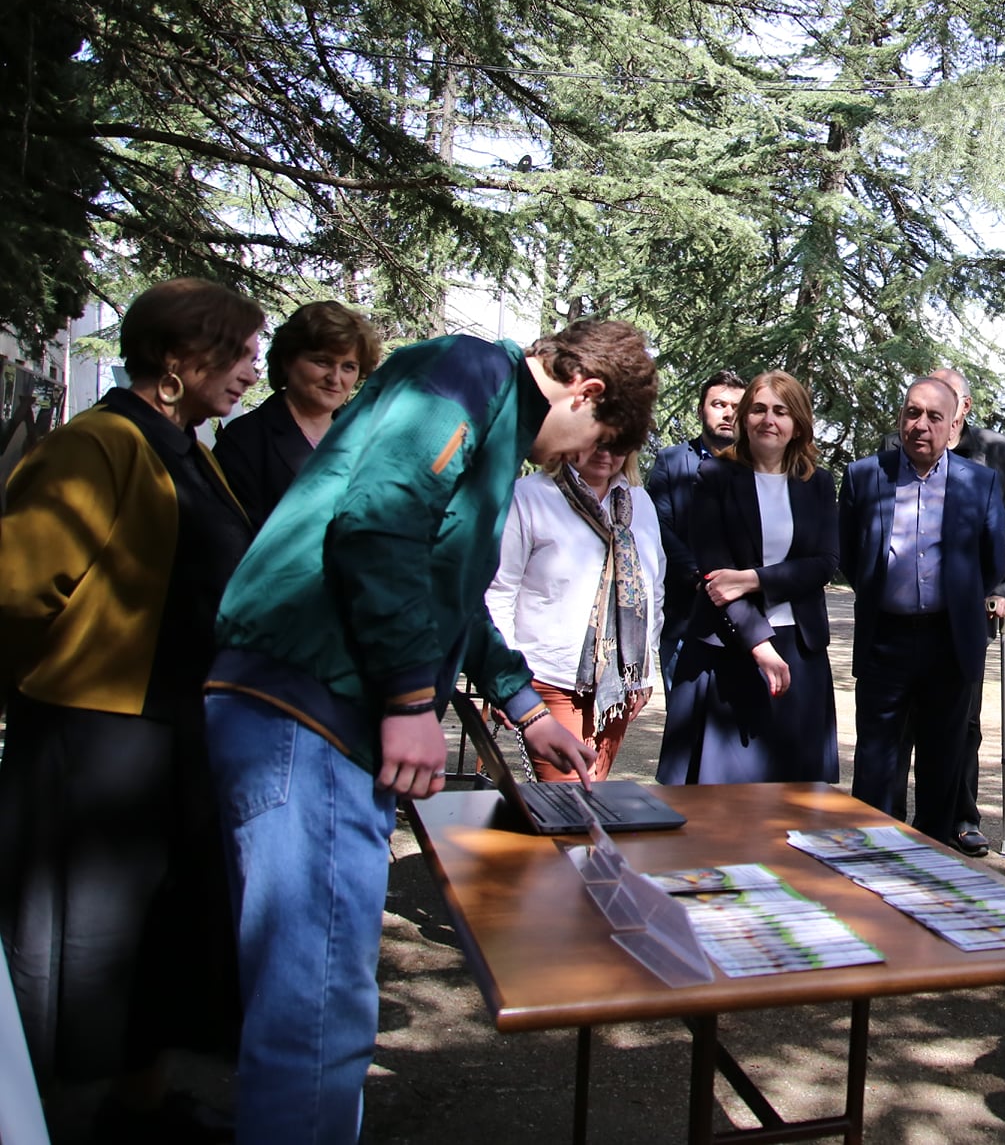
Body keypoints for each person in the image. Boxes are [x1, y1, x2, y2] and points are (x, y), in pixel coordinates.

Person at [203, 319, 655, 1144]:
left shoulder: (493, 423)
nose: (576, 457)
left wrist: (525, 707)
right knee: (316, 1010)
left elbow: (450, 592)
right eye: (595, 438)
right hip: (307, 708)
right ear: (587, 392)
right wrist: (413, 701)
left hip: (326, 715)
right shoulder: (470, 370)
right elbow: (380, 525)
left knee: (327, 1000)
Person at [0, 278, 261, 1142]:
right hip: (96, 738)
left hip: (173, 732)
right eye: (239, 353)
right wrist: (56, 684)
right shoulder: (96, 443)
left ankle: (138, 1108)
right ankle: (53, 1119)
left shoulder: (189, 449)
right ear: (179, 358)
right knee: (84, 953)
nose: (251, 371)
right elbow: (17, 590)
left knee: (159, 940)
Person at [840, 377, 1005, 841]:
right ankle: (874, 854)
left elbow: (992, 560)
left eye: (935, 416)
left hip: (948, 641)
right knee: (876, 763)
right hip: (884, 640)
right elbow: (851, 557)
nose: (921, 424)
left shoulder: (980, 482)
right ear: (901, 417)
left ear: (954, 425)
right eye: (913, 412)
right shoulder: (863, 476)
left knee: (943, 762)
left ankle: (934, 855)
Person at [657, 371, 840, 785]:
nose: (768, 420)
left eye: (781, 411)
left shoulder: (818, 482)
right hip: (728, 646)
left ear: (798, 424)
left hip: (800, 651)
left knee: (794, 793)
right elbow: (717, 577)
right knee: (721, 796)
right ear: (745, 418)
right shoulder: (713, 476)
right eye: (758, 409)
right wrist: (760, 645)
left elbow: (824, 563)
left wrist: (754, 579)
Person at [486, 441, 665, 782]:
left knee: (590, 795)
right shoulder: (530, 496)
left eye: (618, 441)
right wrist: (503, 678)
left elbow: (653, 587)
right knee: (573, 799)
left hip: (619, 685)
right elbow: (500, 591)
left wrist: (644, 672)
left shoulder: (639, 502)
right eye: (596, 439)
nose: (605, 452)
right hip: (549, 676)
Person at [926, 366, 1005, 857]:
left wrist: (1003, 587)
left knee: (964, 717)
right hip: (911, 607)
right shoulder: (899, 443)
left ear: (964, 406)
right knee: (907, 721)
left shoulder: (998, 451)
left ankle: (962, 816)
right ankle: (893, 815)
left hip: (969, 606)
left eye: (945, 396)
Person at [212, 300, 382, 528]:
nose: (335, 378)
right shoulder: (246, 438)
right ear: (288, 361)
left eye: (348, 367)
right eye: (322, 362)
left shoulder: (369, 436)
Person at [646, 369, 746, 676]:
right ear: (701, 410)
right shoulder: (671, 461)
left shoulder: (758, 467)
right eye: (719, 404)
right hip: (685, 612)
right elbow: (658, 527)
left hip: (746, 613)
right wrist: (701, 576)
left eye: (737, 407)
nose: (728, 413)